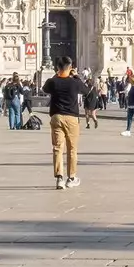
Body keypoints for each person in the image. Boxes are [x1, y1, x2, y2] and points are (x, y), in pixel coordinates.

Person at [43, 54, 85, 188]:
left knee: (57, 148)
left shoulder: (53, 82)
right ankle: (71, 178)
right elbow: (87, 90)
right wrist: (76, 75)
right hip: (72, 118)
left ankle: (59, 178)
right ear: (71, 68)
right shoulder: (75, 82)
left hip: (56, 117)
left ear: (57, 68)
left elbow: (45, 88)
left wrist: (57, 75)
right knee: (72, 149)